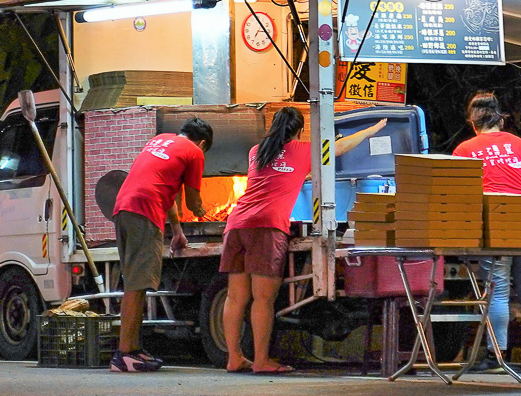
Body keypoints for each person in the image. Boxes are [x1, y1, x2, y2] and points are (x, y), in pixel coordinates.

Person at [221, 107, 386, 374]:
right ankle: (261, 361)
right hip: (267, 226)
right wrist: (371, 130)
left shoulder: (257, 151)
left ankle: (234, 357)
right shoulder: (302, 150)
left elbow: (276, 175)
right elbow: (341, 147)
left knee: (236, 297)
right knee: (263, 299)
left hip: (237, 223)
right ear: (298, 131)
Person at [453, 92, 521, 374]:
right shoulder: (518, 143)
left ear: (473, 122)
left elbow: (461, 191)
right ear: (500, 118)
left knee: (497, 291)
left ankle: (497, 356)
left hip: (494, 222)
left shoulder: (465, 149)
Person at [110, 118, 213, 373]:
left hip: (124, 208)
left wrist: (177, 230)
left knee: (136, 283)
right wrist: (209, 213)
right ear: (202, 143)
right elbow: (193, 202)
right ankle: (124, 355)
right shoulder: (194, 152)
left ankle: (132, 350)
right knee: (137, 284)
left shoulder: (160, 141)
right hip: (144, 212)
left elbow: (167, 193)